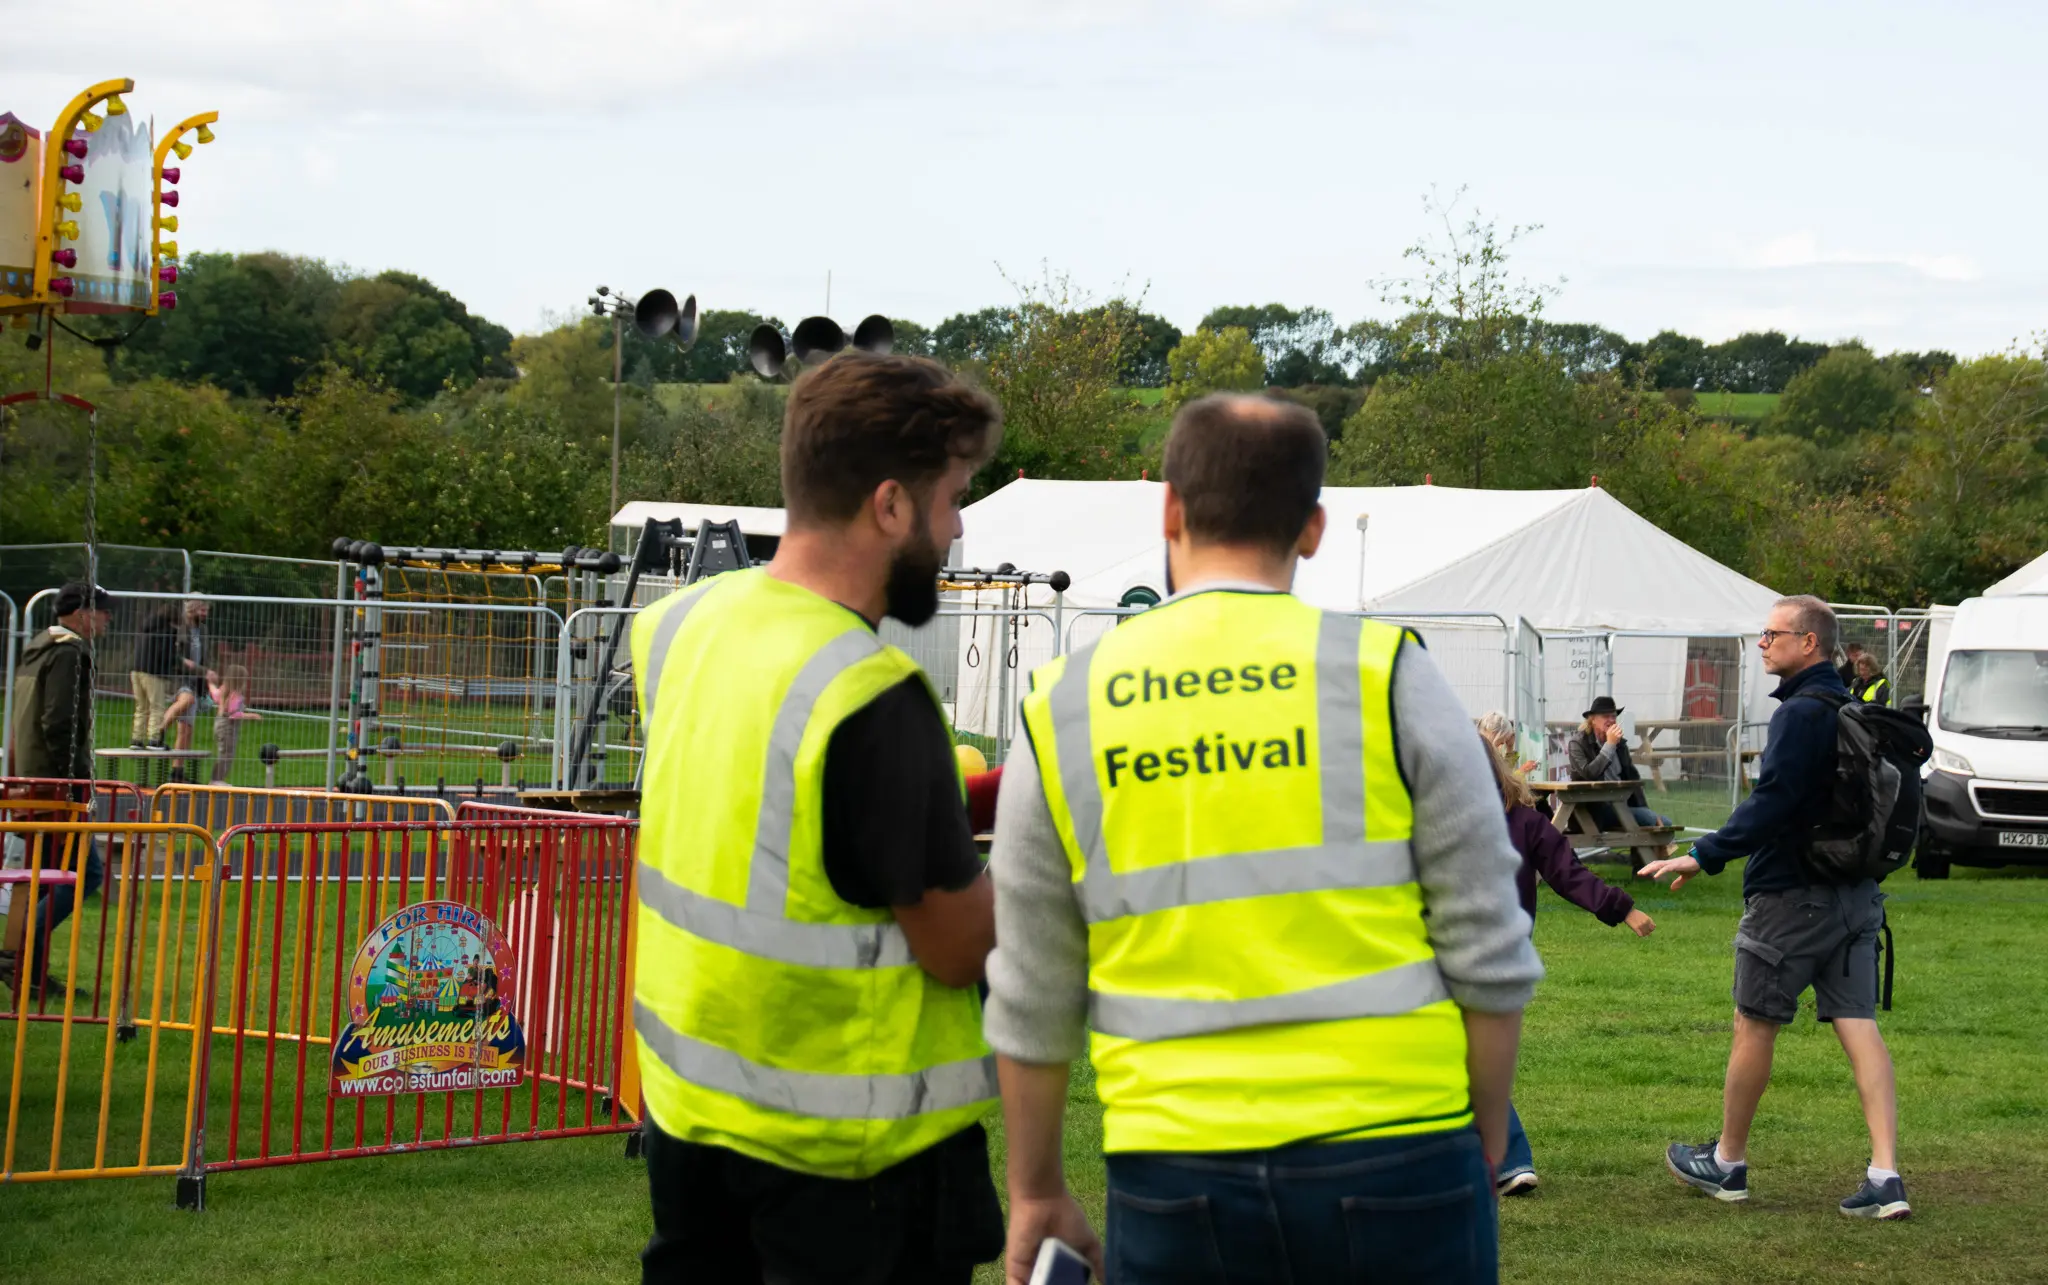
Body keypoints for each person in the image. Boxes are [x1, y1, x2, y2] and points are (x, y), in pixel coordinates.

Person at [985, 395, 1543, 1285]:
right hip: (1398, 1144)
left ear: (1169, 509)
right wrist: (1479, 1144)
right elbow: (1490, 947)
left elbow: (1032, 987)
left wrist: (1036, 1189)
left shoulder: (1063, 704)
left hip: (1173, 1160)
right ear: (1314, 528)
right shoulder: (1389, 673)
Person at [627, 352, 1007, 1285]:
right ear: (889, 505)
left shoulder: (678, 626)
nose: (958, 531)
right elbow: (960, 948)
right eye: (954, 498)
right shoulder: (873, 694)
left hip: (690, 1126)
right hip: (852, 1168)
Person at [1639, 595, 1910, 1220]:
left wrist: (1702, 855)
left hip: (1791, 897)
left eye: (1772, 634)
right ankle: (1885, 1173)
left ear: (1808, 642)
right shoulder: (1848, 707)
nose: (1762, 643)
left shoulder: (1800, 716)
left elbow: (1773, 803)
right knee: (1858, 1022)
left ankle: (1727, 1163)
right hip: (1857, 898)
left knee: (1754, 1022)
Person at [1483, 732, 1654, 1196]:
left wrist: (1621, 908)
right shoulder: (1499, 823)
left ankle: (1506, 1159)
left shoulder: (1510, 825)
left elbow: (1568, 874)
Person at [4, 582, 111, 1002]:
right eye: (102, 611)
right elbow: (60, 723)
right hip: (55, 785)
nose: (106, 618)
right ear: (81, 612)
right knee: (84, 874)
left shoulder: (38, 647)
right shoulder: (70, 652)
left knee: (41, 880)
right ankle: (19, 956)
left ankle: (28, 970)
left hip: (30, 778)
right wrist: (77, 779)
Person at [1568, 696, 1674, 857]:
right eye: (1605, 716)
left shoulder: (1620, 744)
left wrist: (1643, 807)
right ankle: (1650, 862)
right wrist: (1609, 745)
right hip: (1592, 809)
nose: (1611, 720)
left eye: (1613, 716)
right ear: (1593, 720)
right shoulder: (1578, 743)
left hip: (1620, 805)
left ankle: (1643, 867)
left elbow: (1631, 777)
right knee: (1656, 822)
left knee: (1664, 824)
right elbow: (1590, 774)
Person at [158, 599, 210, 776]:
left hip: (194, 680)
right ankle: (159, 730)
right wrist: (190, 665)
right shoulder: (181, 627)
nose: (205, 613)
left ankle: (177, 770)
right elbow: (175, 654)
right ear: (193, 609)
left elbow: (202, 658)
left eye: (206, 610)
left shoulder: (202, 630)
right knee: (187, 699)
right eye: (202, 609)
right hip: (178, 677)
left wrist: (204, 681)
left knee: (186, 728)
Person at [128, 603, 183, 748]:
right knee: (157, 706)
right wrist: (175, 663)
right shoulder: (168, 631)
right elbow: (166, 655)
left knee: (141, 707)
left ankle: (137, 739)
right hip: (153, 672)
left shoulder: (146, 626)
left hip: (136, 670)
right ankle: (154, 739)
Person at [206, 663, 262, 784]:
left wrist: (210, 683)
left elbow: (215, 694)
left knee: (224, 752)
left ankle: (216, 779)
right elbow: (233, 714)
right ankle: (216, 780)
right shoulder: (236, 695)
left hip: (219, 723)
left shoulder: (224, 690)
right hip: (228, 727)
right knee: (227, 754)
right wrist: (252, 716)